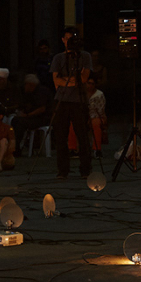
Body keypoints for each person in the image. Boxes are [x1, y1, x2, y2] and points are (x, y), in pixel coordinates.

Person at [50, 27, 94, 179]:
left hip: (78, 101)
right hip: (61, 100)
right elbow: (56, 80)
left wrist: (66, 82)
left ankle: (85, 169)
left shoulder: (85, 56)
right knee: (61, 136)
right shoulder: (58, 58)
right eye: (67, 39)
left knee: (82, 136)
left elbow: (84, 78)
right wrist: (71, 82)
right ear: (63, 40)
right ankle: (63, 170)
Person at [12, 74, 52, 152]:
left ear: (30, 84)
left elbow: (42, 109)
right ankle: (14, 145)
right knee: (15, 120)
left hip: (42, 118)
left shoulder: (42, 92)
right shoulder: (29, 94)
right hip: (33, 117)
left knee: (20, 123)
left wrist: (27, 115)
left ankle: (16, 147)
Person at [68, 76, 106, 156]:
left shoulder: (99, 95)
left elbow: (100, 110)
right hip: (81, 116)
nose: (90, 86)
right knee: (72, 124)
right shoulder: (79, 93)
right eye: (89, 83)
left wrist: (89, 118)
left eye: (92, 84)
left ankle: (97, 149)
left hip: (95, 116)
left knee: (96, 123)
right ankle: (72, 148)